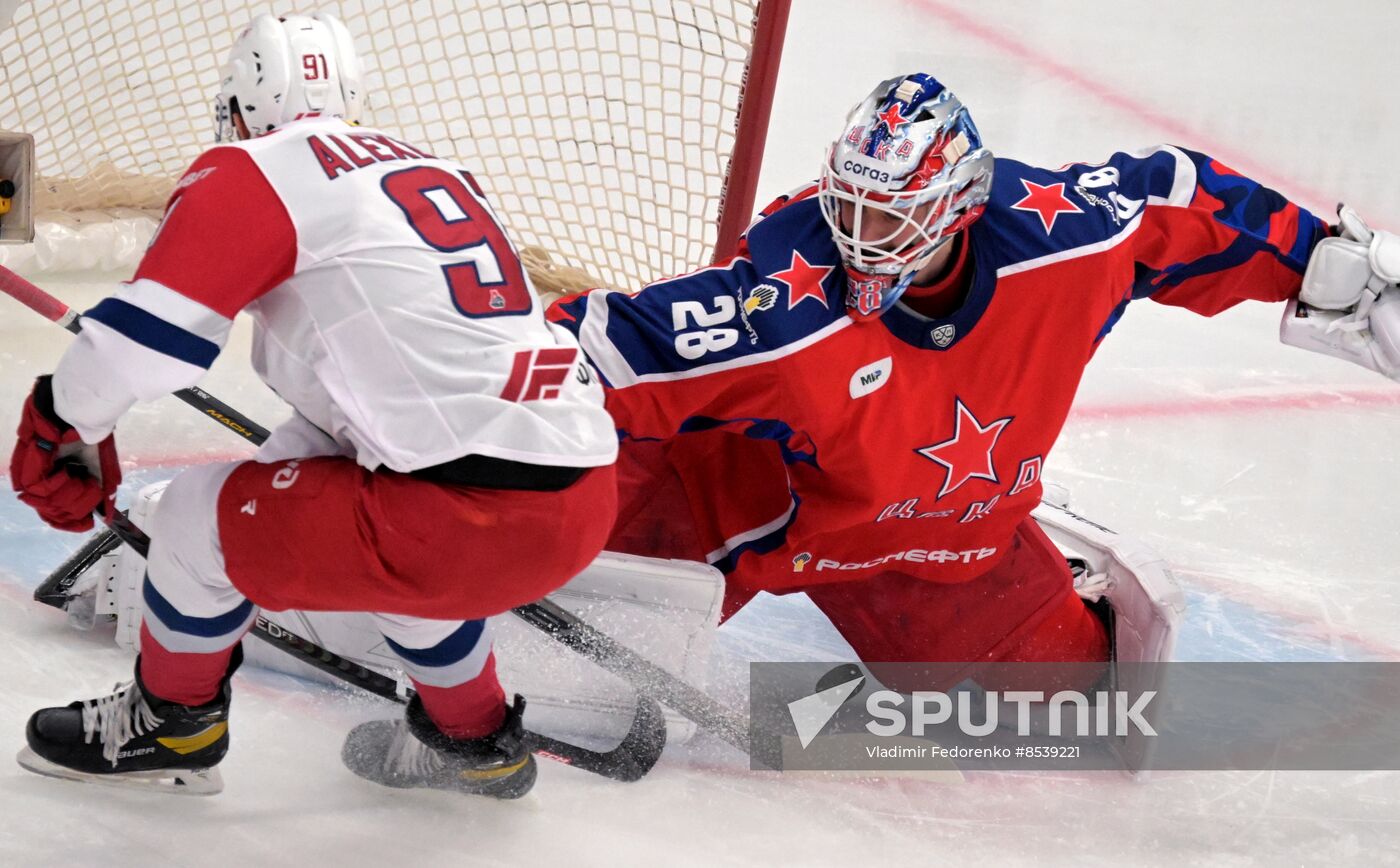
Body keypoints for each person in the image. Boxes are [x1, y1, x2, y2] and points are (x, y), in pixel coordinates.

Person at [548, 72, 1400, 691]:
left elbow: (1175, 198)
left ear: (959, 205)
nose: (859, 235)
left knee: (1059, 726)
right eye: (849, 205)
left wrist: (1337, 273)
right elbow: (606, 351)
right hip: (744, 507)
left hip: (943, 539)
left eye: (891, 214)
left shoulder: (1064, 243)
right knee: (563, 676)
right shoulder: (777, 308)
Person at [7, 13, 618, 799]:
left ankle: (174, 726)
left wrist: (61, 421)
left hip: (461, 520)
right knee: (379, 535)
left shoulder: (255, 168)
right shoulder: (430, 165)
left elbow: (142, 346)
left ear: (237, 106)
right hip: (580, 491)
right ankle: (478, 744)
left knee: (194, 522)